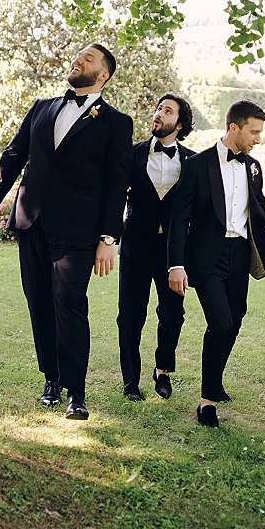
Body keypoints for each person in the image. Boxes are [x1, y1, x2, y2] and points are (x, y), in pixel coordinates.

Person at [0, 44, 133, 421]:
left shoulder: (116, 122)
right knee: (40, 303)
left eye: (88, 59)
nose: (78, 59)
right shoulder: (42, 107)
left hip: (78, 231)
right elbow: (14, 155)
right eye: (77, 55)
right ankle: (51, 379)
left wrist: (109, 238)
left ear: (103, 76)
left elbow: (117, 182)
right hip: (31, 222)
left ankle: (76, 392)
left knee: (70, 305)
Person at [167, 100, 265, 428]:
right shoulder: (197, 165)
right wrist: (175, 265)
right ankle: (207, 402)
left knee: (235, 319)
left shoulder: (253, 167)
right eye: (254, 132)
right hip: (206, 257)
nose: (258, 138)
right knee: (220, 322)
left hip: (239, 256)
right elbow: (179, 220)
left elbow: (259, 211)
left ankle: (214, 380)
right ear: (234, 128)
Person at [117, 93, 195, 402]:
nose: (158, 114)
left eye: (167, 110)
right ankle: (130, 382)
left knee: (173, 314)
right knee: (131, 316)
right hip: (135, 247)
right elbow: (114, 194)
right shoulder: (131, 154)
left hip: (172, 253)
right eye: (158, 109)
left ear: (180, 122)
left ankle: (162, 369)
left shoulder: (193, 161)